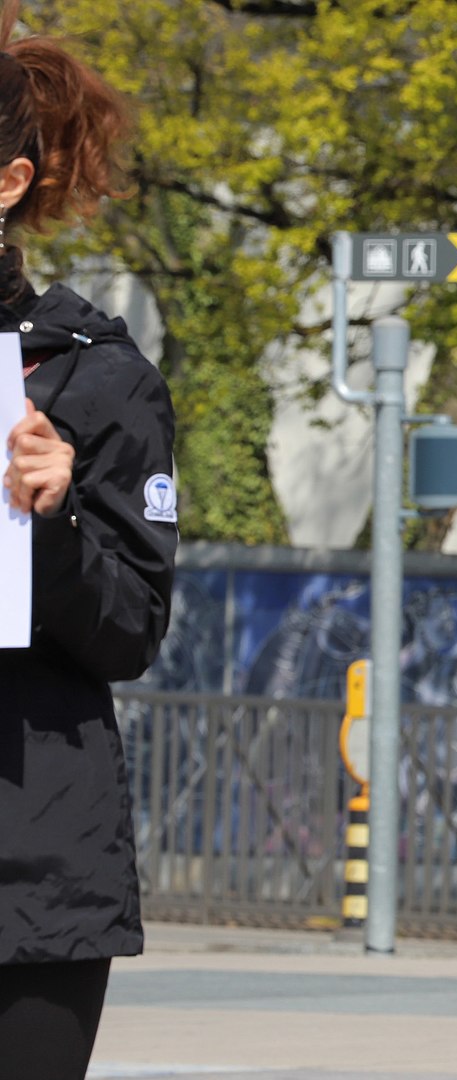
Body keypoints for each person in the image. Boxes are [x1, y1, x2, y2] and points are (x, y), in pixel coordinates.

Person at [0, 5, 179, 1078]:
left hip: (30, 855)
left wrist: (55, 515)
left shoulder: (97, 377)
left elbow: (128, 633)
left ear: (8, 184)